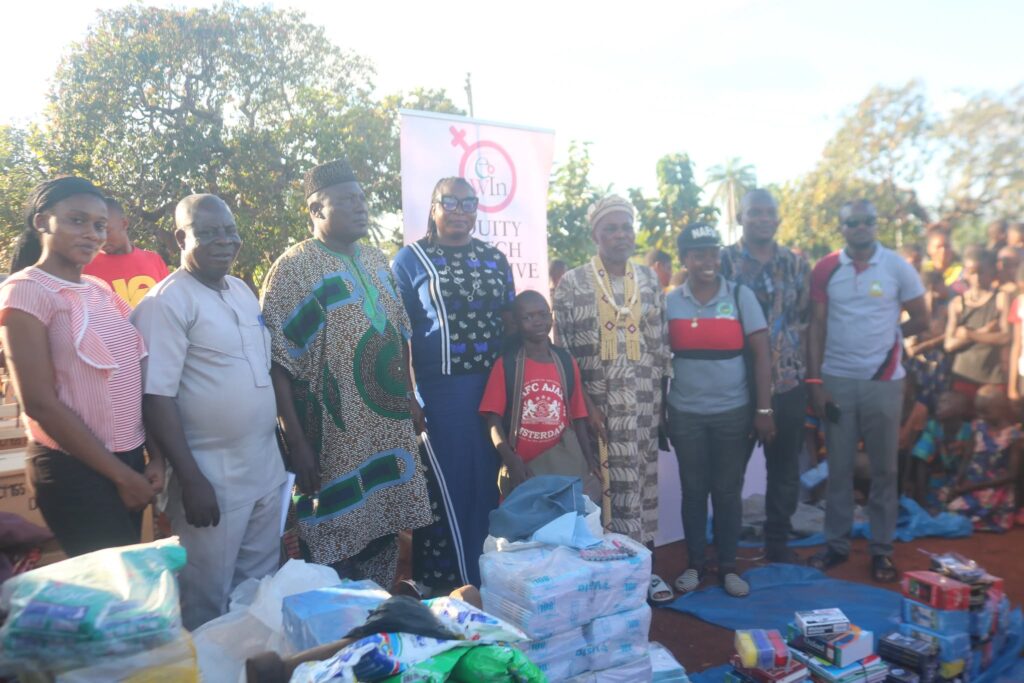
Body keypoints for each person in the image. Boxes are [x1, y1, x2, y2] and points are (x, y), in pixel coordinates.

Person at [261, 159, 431, 588]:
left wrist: (409, 396)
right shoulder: (292, 269)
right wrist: (295, 441)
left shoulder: (376, 260)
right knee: (333, 533)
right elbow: (279, 362)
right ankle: (335, 626)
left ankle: (375, 613)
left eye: (362, 199)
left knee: (386, 524)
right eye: (348, 200)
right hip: (332, 436)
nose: (361, 207)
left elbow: (399, 331)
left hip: (386, 426)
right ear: (317, 210)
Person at [132, 194, 287, 629]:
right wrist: (192, 478)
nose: (226, 240)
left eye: (231, 230)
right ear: (181, 237)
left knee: (258, 588)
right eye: (210, 232)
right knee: (207, 596)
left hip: (263, 465)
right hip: (209, 472)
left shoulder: (241, 291)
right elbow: (155, 396)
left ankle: (247, 667)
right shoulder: (165, 304)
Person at [0, 177, 159, 557]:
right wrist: (121, 476)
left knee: (127, 590)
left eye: (99, 225)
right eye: (76, 220)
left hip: (130, 461)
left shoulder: (98, 290)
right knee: (108, 599)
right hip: (77, 469)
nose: (91, 234)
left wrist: (156, 458)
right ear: (42, 222)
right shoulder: (25, 291)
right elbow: (39, 403)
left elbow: (134, 375)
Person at [391, 176, 515, 591]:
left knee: (487, 482)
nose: (461, 210)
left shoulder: (495, 260)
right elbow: (398, 333)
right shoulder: (410, 261)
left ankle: (491, 582)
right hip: (442, 392)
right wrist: (408, 395)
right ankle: (453, 586)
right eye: (451, 202)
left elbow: (510, 324)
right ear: (433, 207)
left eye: (469, 202)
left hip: (493, 387)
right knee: (449, 487)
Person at [552, 194, 672, 600]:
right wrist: (584, 404)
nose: (620, 235)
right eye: (611, 228)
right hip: (598, 408)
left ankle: (644, 569)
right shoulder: (573, 283)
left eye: (626, 227)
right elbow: (564, 352)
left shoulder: (650, 279)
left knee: (641, 485)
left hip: (642, 406)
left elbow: (661, 344)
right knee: (602, 489)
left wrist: (662, 404)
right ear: (595, 235)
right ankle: (610, 577)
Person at [806, 199, 928, 582]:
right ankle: (836, 545)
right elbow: (816, 328)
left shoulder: (896, 266)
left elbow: (922, 317)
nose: (860, 228)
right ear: (841, 227)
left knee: (885, 469)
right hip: (838, 381)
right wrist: (816, 383)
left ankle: (881, 550)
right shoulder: (826, 268)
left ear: (876, 225)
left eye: (867, 221)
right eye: (852, 222)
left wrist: (890, 339)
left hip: (884, 383)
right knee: (838, 468)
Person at [666, 223, 774, 598]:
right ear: (685, 259)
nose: (707, 261)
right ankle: (695, 565)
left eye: (713, 253)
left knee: (728, 492)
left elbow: (762, 356)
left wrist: (764, 408)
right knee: (694, 491)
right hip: (685, 414)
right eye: (698, 254)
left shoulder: (741, 296)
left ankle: (728, 567)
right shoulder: (670, 301)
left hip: (733, 412)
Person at [720, 188, 810, 564]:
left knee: (785, 468)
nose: (762, 218)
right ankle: (726, 548)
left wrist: (811, 378)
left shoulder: (795, 263)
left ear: (777, 218)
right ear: (740, 218)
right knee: (729, 472)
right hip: (736, 383)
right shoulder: (723, 261)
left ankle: (777, 544)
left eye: (768, 212)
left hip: (788, 382)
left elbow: (804, 320)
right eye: (753, 212)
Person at [479, 290, 598, 499]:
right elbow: (492, 420)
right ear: (516, 322)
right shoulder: (507, 365)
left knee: (562, 525)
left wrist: (589, 463)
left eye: (543, 314)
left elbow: (579, 417)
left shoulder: (565, 362)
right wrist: (510, 459)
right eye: (528, 317)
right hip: (524, 470)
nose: (538, 322)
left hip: (563, 465)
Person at [946, 386, 1021, 532]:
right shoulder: (978, 427)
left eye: (985, 411)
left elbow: (1012, 475)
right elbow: (967, 458)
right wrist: (958, 481)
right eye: (979, 411)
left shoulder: (1013, 436)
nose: (981, 415)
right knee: (949, 501)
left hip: (995, 488)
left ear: (1002, 409)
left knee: (958, 510)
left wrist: (972, 487)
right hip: (972, 483)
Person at [943, 246, 1010, 403]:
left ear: (992, 272)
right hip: (963, 377)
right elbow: (949, 344)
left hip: (992, 379)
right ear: (966, 273)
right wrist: (985, 332)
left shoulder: (1000, 298)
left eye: (982, 272)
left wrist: (970, 334)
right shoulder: (958, 303)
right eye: (972, 272)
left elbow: (1006, 337)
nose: (977, 278)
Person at [82, 196, 169, 307]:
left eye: (106, 231)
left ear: (124, 224)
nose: (101, 239)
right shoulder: (86, 268)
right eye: (96, 232)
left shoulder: (154, 260)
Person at [909, 391, 971, 513]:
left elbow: (968, 462)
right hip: (939, 480)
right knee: (933, 504)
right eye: (939, 401)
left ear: (960, 409)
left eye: (945, 402)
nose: (938, 405)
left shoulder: (970, 431)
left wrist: (957, 486)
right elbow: (922, 461)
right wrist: (921, 498)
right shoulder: (932, 427)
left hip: (961, 480)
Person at [923, 225, 965, 295]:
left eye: (946, 246)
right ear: (929, 249)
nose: (943, 251)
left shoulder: (962, 272)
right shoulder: (923, 272)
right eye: (938, 247)